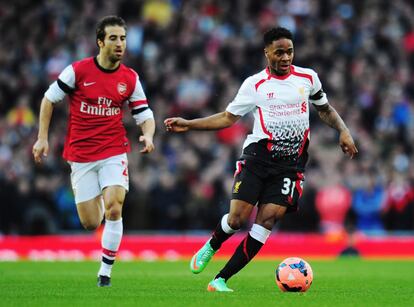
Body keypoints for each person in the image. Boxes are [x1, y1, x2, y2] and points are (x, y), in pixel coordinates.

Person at [164, 27, 357, 292]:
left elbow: (325, 109)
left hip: (290, 165)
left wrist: (344, 130)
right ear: (267, 53)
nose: (286, 57)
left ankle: (220, 279)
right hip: (257, 159)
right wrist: (190, 124)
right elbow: (227, 118)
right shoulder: (254, 85)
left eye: (289, 51)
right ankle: (212, 244)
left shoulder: (308, 78)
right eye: (279, 52)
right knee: (236, 220)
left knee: (266, 222)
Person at [32, 16, 155, 287]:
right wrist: (42, 138)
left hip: (114, 150)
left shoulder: (130, 78)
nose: (119, 44)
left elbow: (145, 114)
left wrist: (147, 134)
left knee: (114, 207)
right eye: (113, 38)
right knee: (90, 223)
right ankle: (99, 193)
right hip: (80, 155)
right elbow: (48, 99)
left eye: (122, 38)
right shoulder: (77, 71)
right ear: (100, 42)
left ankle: (105, 273)